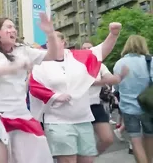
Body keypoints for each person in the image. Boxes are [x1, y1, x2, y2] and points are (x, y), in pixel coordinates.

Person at [29, 22, 122, 163]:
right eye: (48, 41)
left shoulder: (78, 57)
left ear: (63, 42)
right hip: (57, 121)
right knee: (68, 160)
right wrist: (55, 96)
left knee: (87, 159)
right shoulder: (41, 63)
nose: (50, 43)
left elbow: (101, 51)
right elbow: (34, 85)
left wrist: (113, 34)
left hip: (83, 118)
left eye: (54, 40)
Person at [0, 12, 57, 163]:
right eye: (8, 27)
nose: (13, 30)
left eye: (14, 27)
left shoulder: (23, 50)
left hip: (21, 114)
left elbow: (53, 55)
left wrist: (50, 34)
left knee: (35, 158)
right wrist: (13, 67)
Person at [82, 41, 128, 154]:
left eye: (90, 48)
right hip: (80, 107)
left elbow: (111, 79)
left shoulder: (100, 65)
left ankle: (91, 157)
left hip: (96, 105)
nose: (88, 50)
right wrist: (100, 82)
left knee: (107, 139)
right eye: (84, 48)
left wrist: (119, 77)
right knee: (84, 143)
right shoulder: (76, 65)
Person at [113, 35, 153, 163]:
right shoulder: (150, 61)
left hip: (128, 108)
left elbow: (116, 87)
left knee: (135, 140)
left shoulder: (119, 63)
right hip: (148, 106)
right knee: (149, 136)